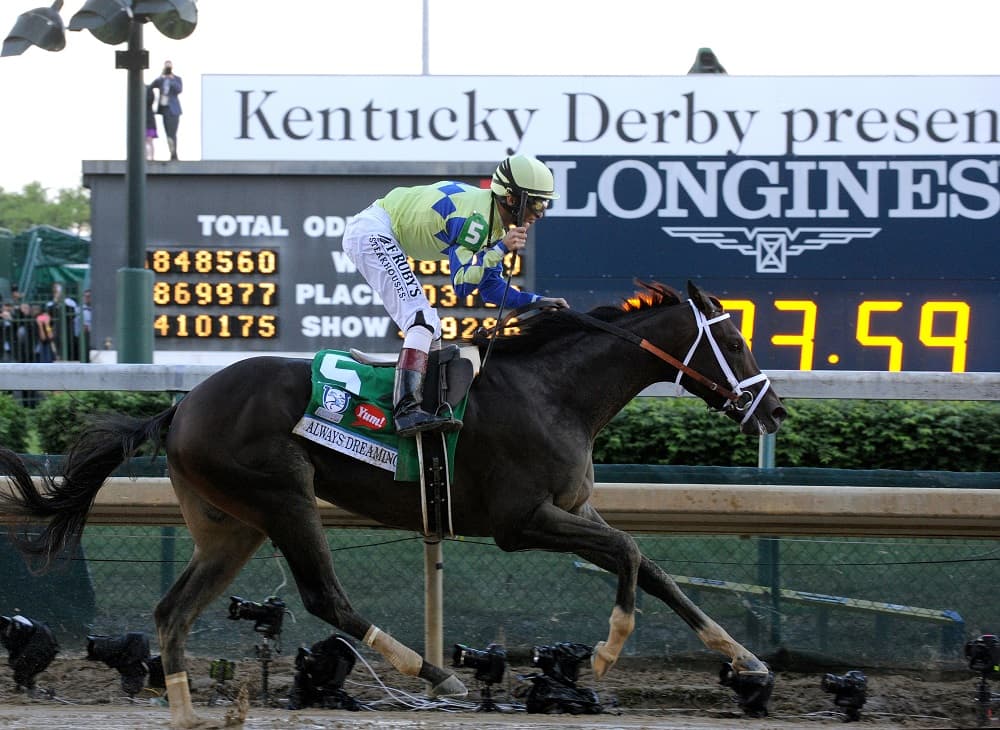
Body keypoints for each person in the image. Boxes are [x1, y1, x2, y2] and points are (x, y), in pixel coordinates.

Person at [343, 154, 569, 437]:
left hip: (379, 230)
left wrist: (536, 301)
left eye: (545, 203)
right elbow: (461, 284)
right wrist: (500, 250)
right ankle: (405, 411)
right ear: (513, 199)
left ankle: (425, 408)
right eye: (537, 202)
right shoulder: (476, 222)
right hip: (373, 231)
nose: (541, 212)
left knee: (433, 333)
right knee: (422, 320)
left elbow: (491, 289)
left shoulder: (492, 221)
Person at [151, 60, 182, 160]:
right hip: (165, 109)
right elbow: (152, 85)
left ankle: (174, 154)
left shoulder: (176, 79)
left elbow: (179, 89)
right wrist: (162, 76)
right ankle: (172, 152)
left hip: (174, 110)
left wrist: (171, 79)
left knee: (172, 133)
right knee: (167, 133)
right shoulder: (161, 80)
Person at [145, 83, 159, 161]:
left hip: (149, 120)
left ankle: (150, 157)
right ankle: (149, 156)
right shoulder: (149, 89)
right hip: (148, 119)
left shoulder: (148, 89)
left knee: (149, 140)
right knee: (147, 141)